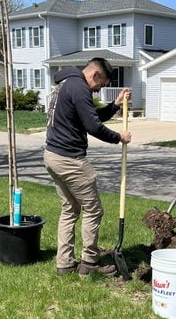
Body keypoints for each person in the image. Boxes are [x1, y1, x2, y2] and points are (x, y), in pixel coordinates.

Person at [44, 57, 132, 276]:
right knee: (94, 210)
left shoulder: (67, 84)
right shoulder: (79, 87)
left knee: (70, 210)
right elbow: (93, 126)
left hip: (52, 155)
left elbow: (88, 117)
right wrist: (118, 137)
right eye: (100, 86)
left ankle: (64, 264)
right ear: (94, 75)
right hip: (70, 160)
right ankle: (90, 264)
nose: (96, 91)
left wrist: (115, 106)